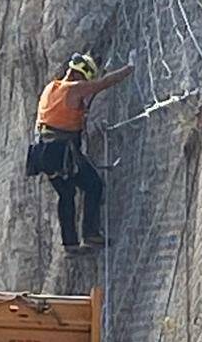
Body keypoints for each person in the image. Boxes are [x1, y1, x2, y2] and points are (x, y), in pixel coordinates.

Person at [33, 52, 133, 254]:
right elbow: (104, 83)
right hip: (62, 151)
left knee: (66, 193)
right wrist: (129, 67)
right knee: (93, 185)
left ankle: (70, 244)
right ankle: (91, 234)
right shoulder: (75, 88)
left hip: (42, 151)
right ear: (83, 75)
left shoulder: (51, 88)